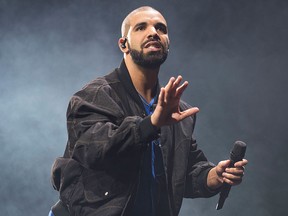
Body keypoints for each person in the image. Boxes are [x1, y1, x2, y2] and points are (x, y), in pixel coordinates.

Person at [50, 6, 248, 216]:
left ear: (167, 44)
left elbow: (181, 173)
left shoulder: (178, 111)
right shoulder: (94, 96)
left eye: (161, 28)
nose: (153, 32)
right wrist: (151, 124)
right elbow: (93, 151)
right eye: (141, 27)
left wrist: (213, 177)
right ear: (123, 44)